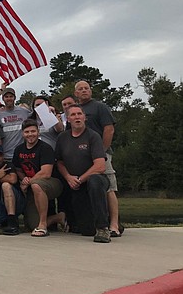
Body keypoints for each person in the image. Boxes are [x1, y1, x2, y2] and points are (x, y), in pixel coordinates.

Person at [55, 104, 111, 243]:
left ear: (84, 117)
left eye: (79, 114)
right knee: (86, 231)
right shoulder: (62, 138)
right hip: (75, 184)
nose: (77, 117)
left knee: (95, 180)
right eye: (73, 115)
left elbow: (100, 166)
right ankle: (79, 223)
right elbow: (60, 162)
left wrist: (80, 179)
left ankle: (103, 228)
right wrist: (68, 177)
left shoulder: (93, 136)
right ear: (68, 119)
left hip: (94, 181)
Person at [74, 80, 122, 237]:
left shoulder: (100, 107)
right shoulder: (76, 110)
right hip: (82, 155)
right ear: (76, 93)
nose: (84, 91)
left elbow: (109, 129)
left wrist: (102, 151)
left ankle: (114, 224)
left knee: (109, 187)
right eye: (80, 89)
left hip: (101, 154)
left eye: (86, 88)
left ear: (91, 91)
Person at [13, 119, 65, 237]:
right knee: (31, 224)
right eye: (27, 132)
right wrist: (24, 179)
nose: (30, 134)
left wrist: (29, 182)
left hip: (51, 184)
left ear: (38, 132)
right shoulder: (19, 150)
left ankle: (43, 225)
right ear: (22, 133)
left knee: (37, 185)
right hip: (32, 185)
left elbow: (46, 173)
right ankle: (58, 217)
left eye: (33, 131)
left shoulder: (45, 148)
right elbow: (18, 169)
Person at [0, 87, 31, 160]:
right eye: (6, 97)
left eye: (11, 96)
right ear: (3, 98)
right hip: (6, 156)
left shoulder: (24, 112)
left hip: (23, 154)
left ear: (14, 98)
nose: (9, 99)